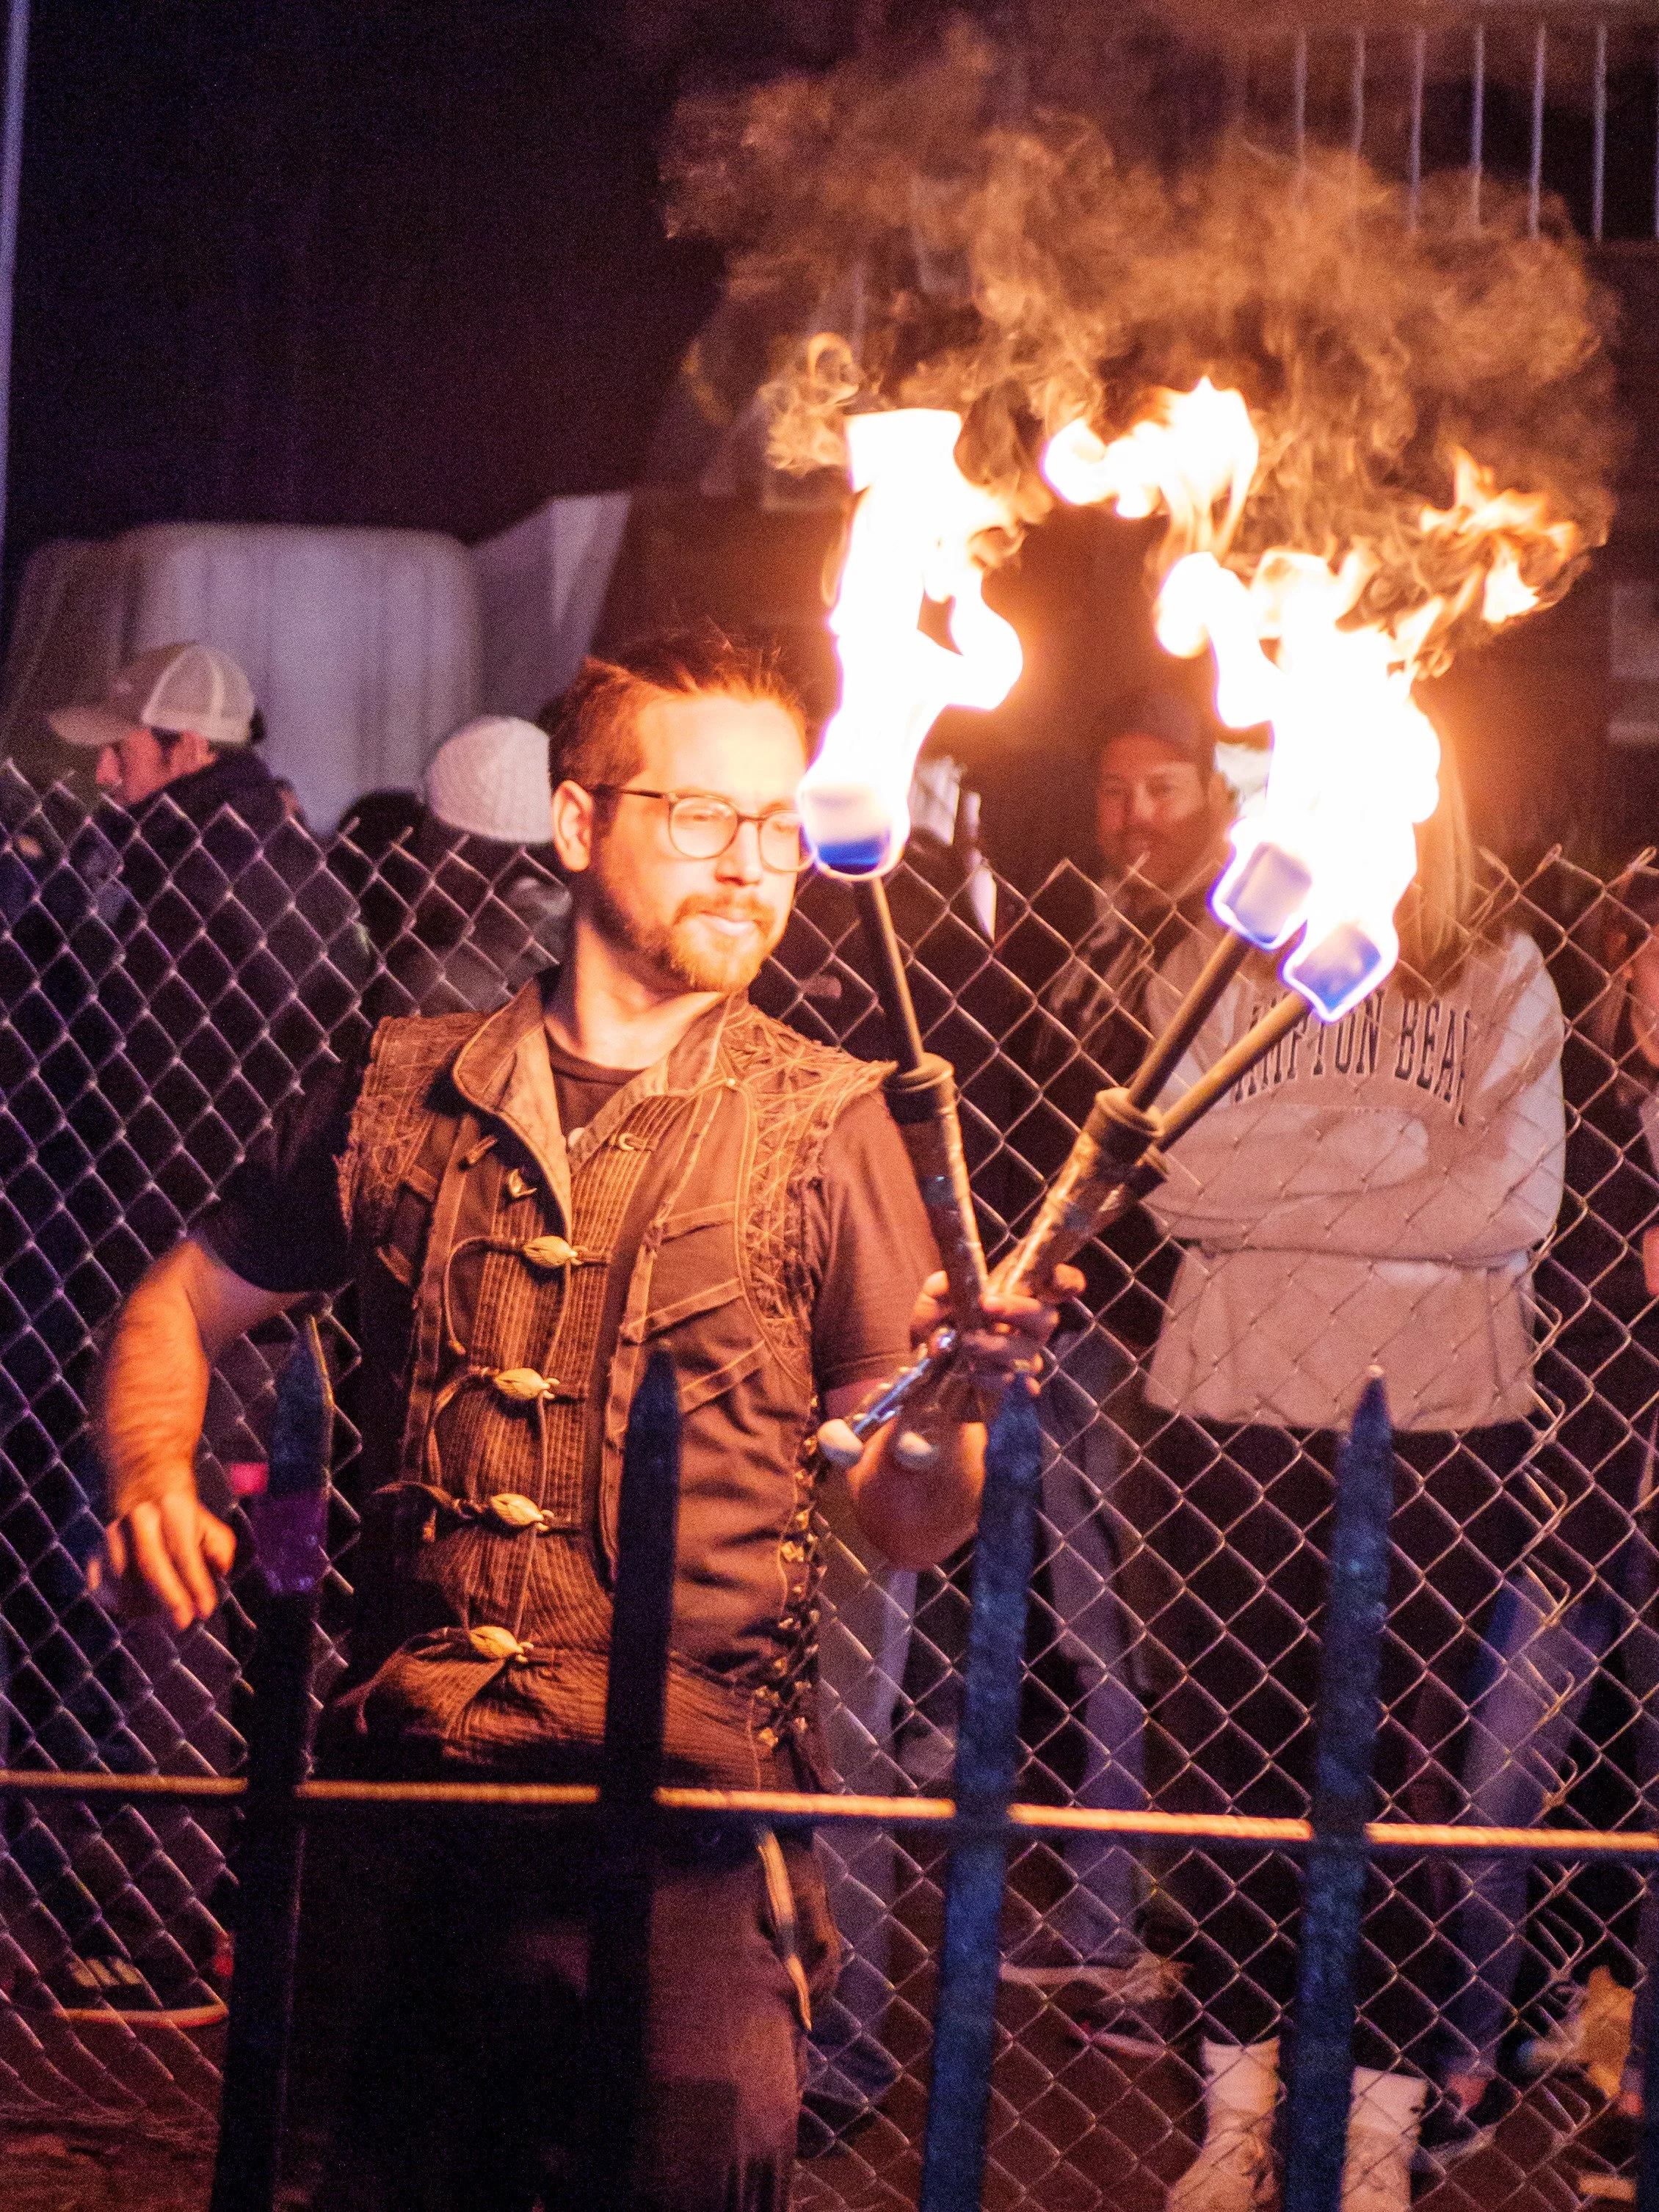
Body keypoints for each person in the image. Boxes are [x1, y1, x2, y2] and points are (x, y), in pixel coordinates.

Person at [91, 629, 1072, 2211]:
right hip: (407, 1816)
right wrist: (151, 1469)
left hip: (686, 1842)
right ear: (574, 823)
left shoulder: (826, 1123)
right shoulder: (397, 1087)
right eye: (699, 816)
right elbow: (173, 1307)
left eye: (774, 826)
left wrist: (950, 1415)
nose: (750, 864)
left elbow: (898, 1514)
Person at [1139, 746, 1565, 2212]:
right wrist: (1395, 1163)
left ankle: (1374, 2132)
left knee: (1400, 1778)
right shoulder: (1214, 963)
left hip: (1437, 1426)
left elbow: (1509, 1199)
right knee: (1234, 1770)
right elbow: (1175, 1176)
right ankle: (1238, 2109)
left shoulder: (1500, 973)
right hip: (1228, 1411)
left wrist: (1285, 1176)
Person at [998, 687, 1235, 2047]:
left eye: (1162, 787)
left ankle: (1169, 1938)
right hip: (1082, 1321)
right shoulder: (1099, 928)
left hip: (1167, 1333)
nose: (1134, 814)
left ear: (1212, 789)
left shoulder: (1229, 941)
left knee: (1161, 1632)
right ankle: (1104, 1911)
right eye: (1115, 789)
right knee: (1095, 1633)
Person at [1431, 865, 1659, 2166]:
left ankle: (1641, 2092)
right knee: (1492, 1788)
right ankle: (1467, 2052)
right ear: (1628, 956)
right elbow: (1518, 1237)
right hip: (1563, 1497)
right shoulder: (1566, 1084)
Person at [349, 713, 570, 1019]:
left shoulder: (431, 984)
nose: (421, 856)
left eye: (428, 833)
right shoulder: (589, 946)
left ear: (455, 849)